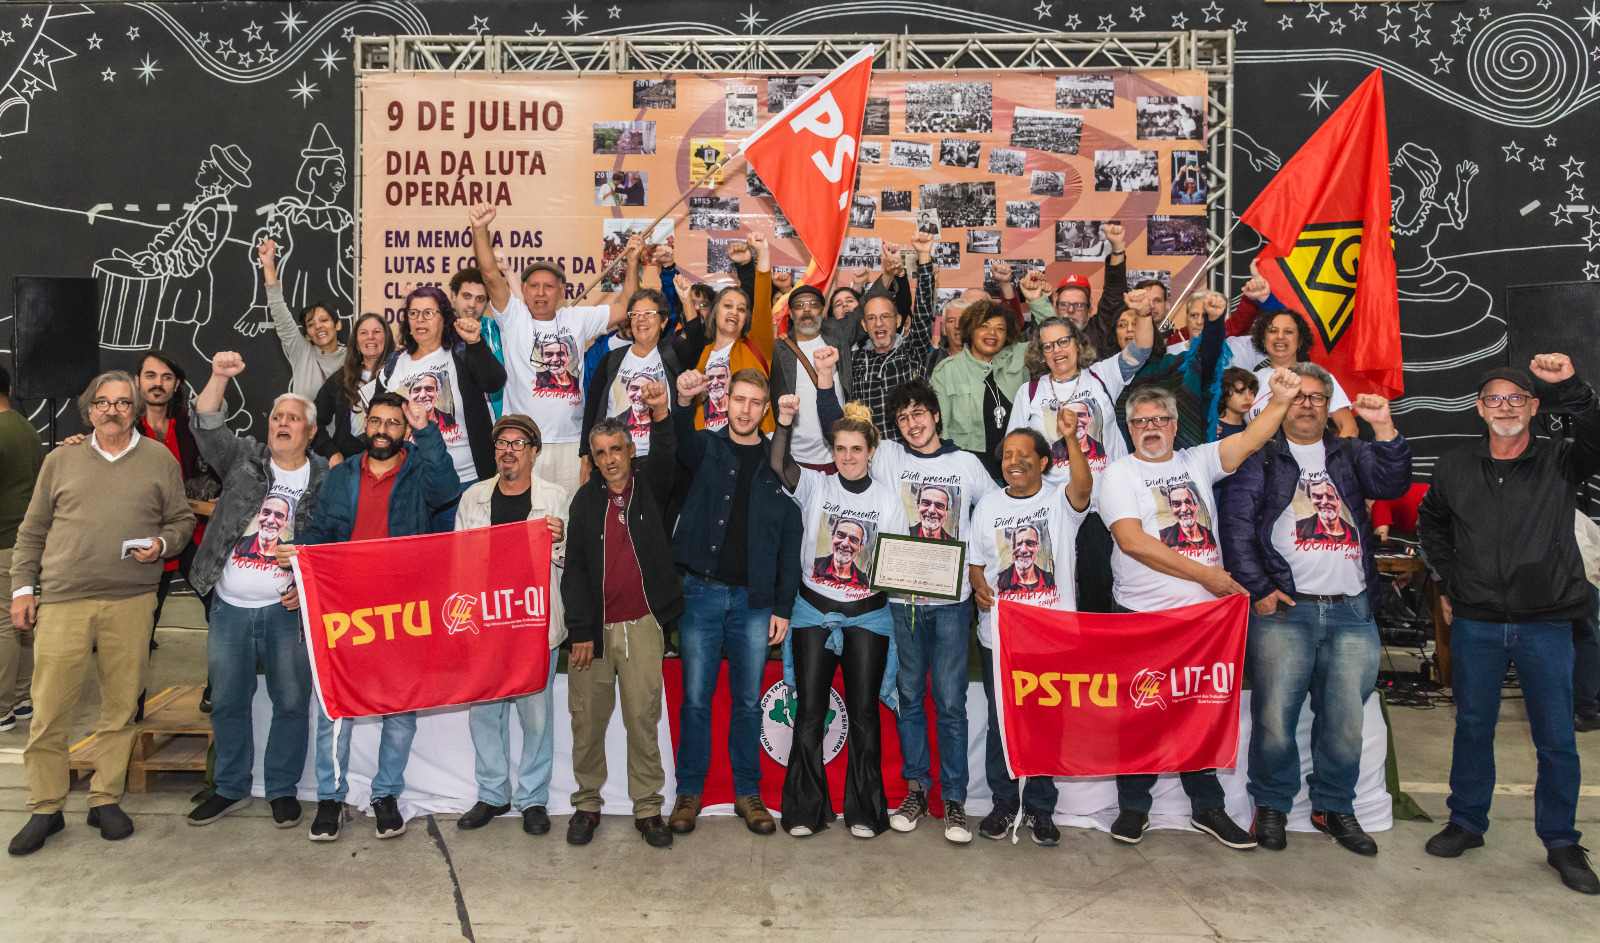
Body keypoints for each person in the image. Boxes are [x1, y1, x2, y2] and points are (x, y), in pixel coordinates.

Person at [1095, 368, 1303, 851]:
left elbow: (1251, 438)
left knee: (1199, 713)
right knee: (1139, 713)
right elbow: (1132, 542)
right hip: (1143, 617)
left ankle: (1208, 808)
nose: (1151, 426)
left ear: (1174, 426)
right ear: (1130, 429)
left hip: (1204, 624)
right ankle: (1133, 808)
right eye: (1141, 420)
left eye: (1161, 419)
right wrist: (1207, 576)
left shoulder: (1198, 460)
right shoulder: (1119, 474)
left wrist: (1281, 400)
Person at [1417, 355, 1600, 894]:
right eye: (1494, 399)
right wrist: (1450, 581)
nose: (1505, 408)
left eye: (1516, 398)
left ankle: (1562, 840)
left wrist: (1570, 383)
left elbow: (1596, 428)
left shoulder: (1562, 461)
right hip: (1476, 622)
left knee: (1557, 739)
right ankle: (1467, 822)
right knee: (1473, 726)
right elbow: (1431, 523)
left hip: (1546, 622)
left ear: (1534, 407)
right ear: (1479, 407)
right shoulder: (1454, 464)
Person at [1218, 362, 1412, 856]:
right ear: (1278, 405)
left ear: (1328, 407)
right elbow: (1236, 528)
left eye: (1316, 397)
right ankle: (1274, 806)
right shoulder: (1258, 457)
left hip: (1352, 610)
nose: (1306, 404)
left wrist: (1384, 427)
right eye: (1297, 396)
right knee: (1276, 719)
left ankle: (1334, 806)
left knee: (1346, 720)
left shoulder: (1348, 453)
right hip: (1286, 611)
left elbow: (1392, 483)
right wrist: (1259, 588)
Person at [8, 372, 195, 855]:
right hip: (64, 600)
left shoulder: (159, 460)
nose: (112, 410)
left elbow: (181, 520)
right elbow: (31, 532)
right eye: (102, 403)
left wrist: (163, 544)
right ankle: (45, 807)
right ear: (88, 410)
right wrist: (23, 589)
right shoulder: (60, 459)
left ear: (135, 410)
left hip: (131, 601)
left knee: (120, 707)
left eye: (122, 403)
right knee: (49, 710)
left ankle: (105, 797)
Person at [283, 391, 460, 843]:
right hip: (348, 605)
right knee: (335, 707)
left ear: (405, 430)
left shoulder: (421, 468)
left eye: (393, 424)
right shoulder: (341, 474)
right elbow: (323, 532)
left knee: (400, 707)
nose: (383, 431)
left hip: (404, 607)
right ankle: (330, 797)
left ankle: (385, 795)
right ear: (367, 424)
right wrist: (300, 558)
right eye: (376, 422)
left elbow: (446, 492)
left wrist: (426, 428)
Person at [182, 352, 327, 830]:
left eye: (293, 419)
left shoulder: (327, 478)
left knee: (290, 701)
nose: (282, 424)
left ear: (309, 432)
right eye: (277, 417)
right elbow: (206, 424)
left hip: (286, 612)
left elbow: (335, 541)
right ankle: (229, 786)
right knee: (227, 699)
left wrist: (307, 587)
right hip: (228, 605)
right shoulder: (244, 458)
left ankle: (282, 789)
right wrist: (219, 376)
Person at [666, 367, 802, 836]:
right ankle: (689, 793)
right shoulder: (706, 446)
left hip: (754, 601)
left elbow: (789, 539)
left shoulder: (778, 462)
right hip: (700, 594)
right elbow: (678, 439)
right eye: (737, 399)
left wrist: (783, 606)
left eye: (753, 402)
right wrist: (684, 402)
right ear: (724, 401)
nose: (744, 409)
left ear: (765, 408)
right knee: (696, 701)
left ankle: (749, 793)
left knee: (747, 702)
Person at [770, 396, 908, 839]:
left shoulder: (888, 501)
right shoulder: (815, 485)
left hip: (867, 617)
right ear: (833, 452)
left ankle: (866, 812)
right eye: (841, 449)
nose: (848, 457)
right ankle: (805, 811)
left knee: (865, 713)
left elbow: (899, 563)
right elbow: (778, 463)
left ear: (871, 452)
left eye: (857, 449)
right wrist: (785, 421)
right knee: (810, 712)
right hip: (813, 612)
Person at [874, 380, 997, 843]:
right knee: (909, 699)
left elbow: (993, 514)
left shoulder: (966, 464)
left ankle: (956, 800)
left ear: (937, 414)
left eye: (919, 413)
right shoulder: (888, 456)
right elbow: (839, 427)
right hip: (902, 602)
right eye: (903, 417)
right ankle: (916, 789)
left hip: (950, 606)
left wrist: (981, 574)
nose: (913, 423)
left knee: (949, 703)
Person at [562, 383, 681, 848]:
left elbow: (669, 451)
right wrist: (581, 631)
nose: (610, 459)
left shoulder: (652, 487)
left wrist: (662, 414)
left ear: (631, 451)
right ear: (591, 459)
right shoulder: (584, 502)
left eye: (617, 449)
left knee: (642, 718)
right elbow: (573, 571)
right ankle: (587, 805)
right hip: (594, 634)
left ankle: (648, 809)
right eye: (600, 453)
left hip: (643, 628)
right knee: (587, 722)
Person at [969, 424, 1093, 844]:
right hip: (1000, 638)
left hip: (1052, 634)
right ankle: (1004, 804)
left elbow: (1083, 485)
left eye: (1024, 455)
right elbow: (975, 561)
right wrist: (978, 585)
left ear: (1044, 462)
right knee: (999, 722)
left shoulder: (1060, 500)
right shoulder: (986, 506)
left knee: (1046, 722)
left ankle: (1041, 808)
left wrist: (1072, 439)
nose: (1014, 461)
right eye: (1007, 455)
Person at [468, 203, 640, 495]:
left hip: (571, 443)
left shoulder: (577, 318)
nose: (540, 292)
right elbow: (489, 275)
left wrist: (633, 261)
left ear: (562, 291)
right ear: (523, 290)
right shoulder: (513, 317)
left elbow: (625, 308)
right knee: (524, 523)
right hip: (523, 442)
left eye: (549, 286)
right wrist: (480, 229)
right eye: (533, 285)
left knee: (568, 524)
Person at [454, 414, 570, 837]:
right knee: (485, 712)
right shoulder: (474, 498)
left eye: (519, 443)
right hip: (485, 623)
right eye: (502, 443)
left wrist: (558, 541)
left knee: (536, 716)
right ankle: (491, 794)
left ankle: (533, 798)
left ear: (534, 452)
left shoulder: (555, 497)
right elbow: (459, 563)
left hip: (534, 624)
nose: (508, 450)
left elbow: (571, 562)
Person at [1008, 295, 1155, 615]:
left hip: (1101, 507)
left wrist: (1143, 314)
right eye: (1048, 346)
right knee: (1053, 589)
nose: (1057, 350)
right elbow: (1015, 452)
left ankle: (1097, 656)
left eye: (1063, 341)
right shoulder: (1030, 393)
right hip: (1051, 507)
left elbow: (1141, 350)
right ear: (1039, 353)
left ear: (1076, 344)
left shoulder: (1103, 375)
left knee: (1097, 585)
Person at [377, 285, 507, 517]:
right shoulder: (394, 362)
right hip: (413, 482)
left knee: (467, 553)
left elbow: (495, 382)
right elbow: (379, 417)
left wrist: (475, 343)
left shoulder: (460, 350)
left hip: (467, 481)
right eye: (413, 313)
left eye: (429, 313)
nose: (420, 320)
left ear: (444, 318)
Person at [581, 288, 699, 462]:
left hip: (662, 459)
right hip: (616, 462)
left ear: (663, 321)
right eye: (635, 314)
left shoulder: (673, 354)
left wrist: (687, 299)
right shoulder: (611, 359)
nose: (641, 319)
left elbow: (696, 340)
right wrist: (586, 456)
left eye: (649, 313)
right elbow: (592, 410)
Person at [683, 233, 777, 437]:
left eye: (742, 309)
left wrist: (762, 252)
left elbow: (761, 302)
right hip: (709, 448)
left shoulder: (756, 344)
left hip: (753, 444)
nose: (734, 312)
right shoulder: (702, 353)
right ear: (715, 313)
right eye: (728, 306)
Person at [852, 232, 941, 442]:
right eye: (872, 318)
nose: (879, 323)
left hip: (909, 453)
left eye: (885, 316)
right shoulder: (854, 361)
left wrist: (924, 256)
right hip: (870, 459)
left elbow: (923, 314)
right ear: (864, 325)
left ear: (898, 321)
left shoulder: (911, 353)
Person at [930, 299, 1030, 481]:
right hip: (967, 475)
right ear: (970, 330)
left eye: (1000, 328)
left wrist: (1037, 300)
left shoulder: (1018, 358)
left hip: (1016, 474)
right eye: (984, 325)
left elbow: (1053, 335)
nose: (992, 333)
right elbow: (940, 430)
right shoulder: (947, 372)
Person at [769, 283, 865, 473]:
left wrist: (888, 275)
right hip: (794, 457)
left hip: (837, 455)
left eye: (813, 304)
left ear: (822, 310)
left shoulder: (837, 333)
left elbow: (866, 308)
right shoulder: (780, 348)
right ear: (791, 313)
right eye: (799, 305)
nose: (807, 310)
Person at [0, 366, 43, 730]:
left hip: (4, 543)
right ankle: (21, 697)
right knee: (21, 622)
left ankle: (2, 707)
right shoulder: (24, 427)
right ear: (11, 388)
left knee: (5, 624)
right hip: (22, 543)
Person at [1244, 308, 1358, 437]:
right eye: (1273, 331)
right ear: (1263, 340)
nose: (1280, 336)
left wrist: (1333, 457)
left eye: (1288, 331)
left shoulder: (1318, 377)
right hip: (1258, 456)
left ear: (1300, 341)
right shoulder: (1250, 380)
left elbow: (1349, 427)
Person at [258, 237, 344, 400]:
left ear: (337, 324)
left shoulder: (353, 357)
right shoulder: (302, 352)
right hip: (305, 426)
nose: (318, 326)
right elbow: (279, 312)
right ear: (307, 335)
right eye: (311, 324)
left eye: (324, 320)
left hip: (346, 427)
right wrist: (268, 264)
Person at [312, 312, 396, 463]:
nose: (370, 337)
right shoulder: (340, 379)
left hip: (392, 461)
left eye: (376, 332)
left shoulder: (401, 374)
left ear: (387, 338)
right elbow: (313, 421)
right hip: (350, 462)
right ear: (356, 342)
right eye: (363, 333)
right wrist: (332, 452)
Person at [451, 267, 505, 420]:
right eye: (466, 296)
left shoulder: (498, 331)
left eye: (480, 299)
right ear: (453, 295)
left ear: (487, 302)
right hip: (456, 425)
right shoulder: (440, 335)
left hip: (499, 424)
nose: (472, 304)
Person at [1215, 367, 1257, 440]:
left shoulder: (1252, 427)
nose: (1247, 398)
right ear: (1223, 392)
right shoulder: (1214, 429)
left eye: (1251, 392)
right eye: (1240, 392)